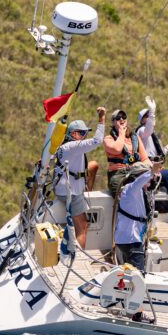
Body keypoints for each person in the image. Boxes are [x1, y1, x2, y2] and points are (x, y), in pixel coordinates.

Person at [54, 107, 106, 250]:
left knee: (93, 165)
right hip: (70, 192)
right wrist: (101, 118)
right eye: (82, 133)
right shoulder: (73, 146)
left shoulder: (64, 146)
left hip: (64, 189)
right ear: (73, 134)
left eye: (85, 133)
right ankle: (77, 256)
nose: (84, 136)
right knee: (82, 227)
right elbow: (97, 140)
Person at [114, 159, 164, 272]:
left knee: (129, 273)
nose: (151, 179)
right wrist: (151, 171)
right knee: (138, 275)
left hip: (129, 239)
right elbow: (139, 182)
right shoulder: (131, 189)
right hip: (131, 241)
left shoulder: (138, 192)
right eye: (149, 178)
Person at [104, 109, 149, 196]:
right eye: (118, 118)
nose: (121, 119)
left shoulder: (135, 137)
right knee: (122, 197)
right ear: (113, 122)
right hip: (117, 174)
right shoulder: (108, 139)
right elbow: (117, 149)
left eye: (123, 117)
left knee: (144, 192)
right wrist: (121, 132)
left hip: (134, 171)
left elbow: (145, 159)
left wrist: (153, 170)